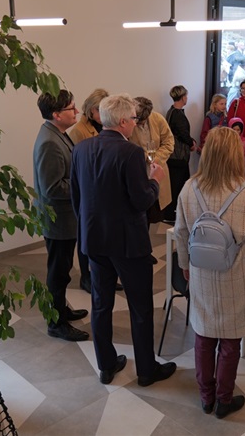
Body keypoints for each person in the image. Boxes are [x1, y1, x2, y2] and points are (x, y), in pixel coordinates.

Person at [71, 94, 177, 386]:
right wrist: (155, 180)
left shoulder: (81, 149)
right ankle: (146, 370)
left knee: (101, 303)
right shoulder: (130, 153)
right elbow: (141, 200)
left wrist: (88, 228)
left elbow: (76, 197)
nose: (135, 123)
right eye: (133, 118)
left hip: (94, 239)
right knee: (140, 307)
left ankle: (106, 366)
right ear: (121, 121)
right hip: (128, 243)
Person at [174, 126, 245, 419]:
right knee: (230, 340)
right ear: (235, 155)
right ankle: (223, 400)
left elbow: (181, 232)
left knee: (204, 335)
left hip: (201, 273)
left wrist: (184, 265)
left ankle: (206, 396)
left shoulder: (189, 187)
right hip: (236, 275)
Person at [33, 90, 89, 342]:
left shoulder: (57, 134)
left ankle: (61, 309)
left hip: (65, 217)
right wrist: (84, 183)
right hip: (58, 220)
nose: (76, 112)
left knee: (63, 268)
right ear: (56, 114)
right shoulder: (49, 142)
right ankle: (56, 323)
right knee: (58, 272)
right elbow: (52, 188)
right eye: (71, 108)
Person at [66, 88, 124, 294]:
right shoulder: (78, 131)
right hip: (90, 193)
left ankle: (106, 276)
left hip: (104, 192)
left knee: (104, 240)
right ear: (92, 110)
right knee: (87, 238)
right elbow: (80, 166)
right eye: (101, 109)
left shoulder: (103, 127)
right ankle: (86, 277)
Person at [129, 96, 174, 227]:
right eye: (137, 120)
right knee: (139, 213)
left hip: (156, 169)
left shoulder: (158, 119)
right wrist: (142, 157)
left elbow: (169, 142)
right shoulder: (128, 121)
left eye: (142, 121)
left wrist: (156, 158)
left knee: (154, 212)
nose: (139, 123)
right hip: (137, 171)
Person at [163, 85, 196, 224]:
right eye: (186, 96)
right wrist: (192, 143)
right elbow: (183, 134)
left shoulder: (170, 112)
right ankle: (172, 214)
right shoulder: (178, 115)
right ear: (183, 97)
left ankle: (170, 213)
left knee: (174, 184)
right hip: (178, 157)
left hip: (172, 156)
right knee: (178, 185)